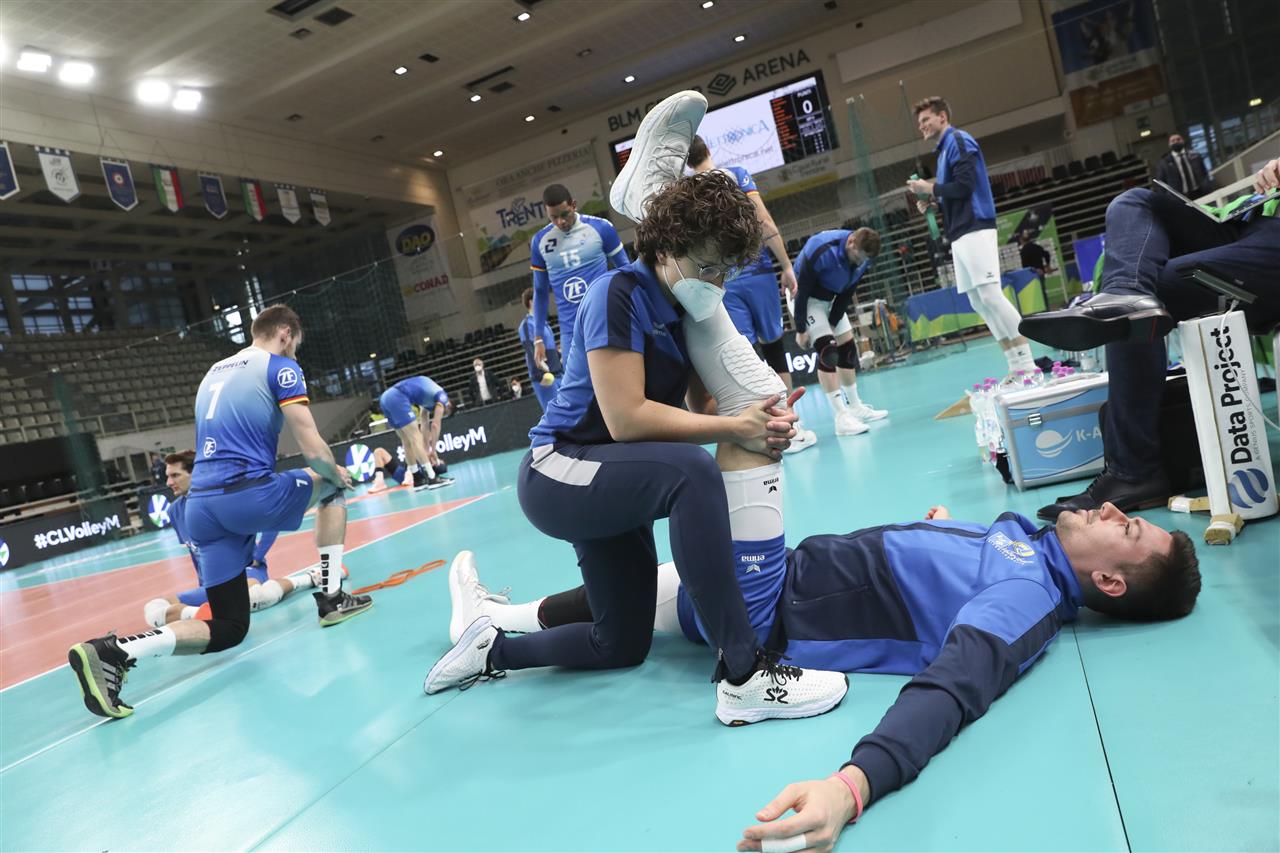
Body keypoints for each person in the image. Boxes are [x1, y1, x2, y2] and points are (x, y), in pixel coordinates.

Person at [424, 91, 849, 727]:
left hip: (615, 474)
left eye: (725, 273)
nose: (716, 283)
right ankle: (743, 675)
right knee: (692, 473)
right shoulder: (616, 293)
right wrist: (733, 427)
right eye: (708, 268)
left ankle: (491, 648)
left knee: (619, 642)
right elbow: (625, 419)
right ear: (668, 247)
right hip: (560, 469)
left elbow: (702, 403)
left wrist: (760, 420)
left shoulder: (688, 307)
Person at [457, 497, 1199, 851]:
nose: (1112, 508)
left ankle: (493, 634)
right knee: (646, 596)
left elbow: (955, 685)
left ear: (1109, 582)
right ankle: (499, 621)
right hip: (791, 577)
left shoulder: (1028, 598)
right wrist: (940, 528)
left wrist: (852, 786)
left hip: (773, 609)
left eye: (1127, 528)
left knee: (663, 569)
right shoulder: (1031, 548)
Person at [67, 305, 373, 719]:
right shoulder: (281, 367)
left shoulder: (214, 371)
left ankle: (115, 651)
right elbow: (310, 443)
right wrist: (335, 471)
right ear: (285, 333)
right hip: (247, 494)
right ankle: (333, 598)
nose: (294, 353)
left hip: (202, 509)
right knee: (331, 486)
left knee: (230, 626)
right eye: (294, 345)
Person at [1019, 158, 1280, 518]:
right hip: (1250, 219)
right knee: (1133, 202)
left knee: (1153, 289)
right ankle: (1126, 292)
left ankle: (1134, 472)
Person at [685, 135, 815, 453]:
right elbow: (764, 222)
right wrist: (787, 266)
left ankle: (761, 432)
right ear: (709, 149)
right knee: (773, 346)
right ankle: (789, 427)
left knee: (745, 355)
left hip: (722, 279)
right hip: (756, 273)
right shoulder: (736, 175)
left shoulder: (688, 192)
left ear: (686, 162)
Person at [907, 96, 1037, 381]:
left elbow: (965, 186)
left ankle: (1030, 365)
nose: (922, 126)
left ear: (942, 117)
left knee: (990, 294)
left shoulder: (959, 140)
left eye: (926, 119)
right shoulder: (943, 152)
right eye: (919, 122)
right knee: (978, 300)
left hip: (975, 226)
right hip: (959, 232)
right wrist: (934, 202)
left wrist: (930, 188)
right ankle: (1015, 366)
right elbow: (953, 192)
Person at [142, 449, 319, 628]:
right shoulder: (174, 511)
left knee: (252, 597)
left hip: (246, 573)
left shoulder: (226, 498)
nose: (169, 482)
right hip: (216, 581)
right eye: (168, 476)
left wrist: (258, 557)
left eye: (175, 475)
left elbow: (273, 522)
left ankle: (308, 578)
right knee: (154, 609)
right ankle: (201, 613)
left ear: (196, 473)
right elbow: (195, 553)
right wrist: (205, 585)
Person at [791, 227, 888, 436]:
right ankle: (841, 418)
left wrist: (833, 323)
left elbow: (846, 294)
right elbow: (802, 288)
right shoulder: (821, 248)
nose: (860, 262)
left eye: (864, 260)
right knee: (828, 351)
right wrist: (800, 328)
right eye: (858, 257)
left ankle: (855, 407)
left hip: (831, 299)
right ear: (851, 242)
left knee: (848, 350)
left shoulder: (863, 260)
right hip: (806, 300)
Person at [529, 183, 630, 373]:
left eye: (564, 214)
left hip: (606, 320)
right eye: (553, 217)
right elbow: (540, 291)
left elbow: (627, 271)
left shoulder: (601, 228)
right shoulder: (539, 242)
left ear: (574, 205)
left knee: (620, 377)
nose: (560, 222)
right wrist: (538, 338)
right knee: (576, 388)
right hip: (571, 331)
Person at [377, 375, 454, 491]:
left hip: (385, 399)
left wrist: (427, 449)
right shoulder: (443, 398)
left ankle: (417, 479)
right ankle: (432, 478)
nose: (442, 413)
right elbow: (435, 425)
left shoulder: (428, 400)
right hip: (397, 396)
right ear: (449, 405)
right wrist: (433, 450)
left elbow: (424, 422)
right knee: (415, 437)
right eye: (445, 413)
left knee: (406, 441)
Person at [518, 286, 563, 411]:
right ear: (531, 302)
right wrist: (540, 375)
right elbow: (530, 350)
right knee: (555, 414)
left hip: (558, 374)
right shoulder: (526, 325)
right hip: (545, 377)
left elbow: (552, 349)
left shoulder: (545, 324)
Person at [1155, 132, 1212, 198]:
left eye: (1178, 139)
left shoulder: (1195, 156)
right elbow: (1161, 183)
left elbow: (1204, 173)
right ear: (1169, 144)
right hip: (1179, 197)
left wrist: (1207, 186)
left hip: (1200, 192)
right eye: (1173, 141)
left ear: (1183, 141)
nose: (1176, 142)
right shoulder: (1164, 163)